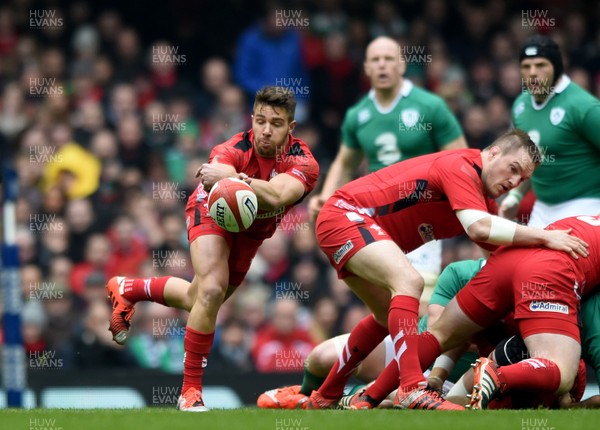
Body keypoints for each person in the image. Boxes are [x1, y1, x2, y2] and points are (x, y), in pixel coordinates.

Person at [301, 129, 589, 410]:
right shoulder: (461, 167)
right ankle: (412, 388)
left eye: (522, 179)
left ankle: (326, 393)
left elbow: (503, 260)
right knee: (409, 282)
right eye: (513, 169)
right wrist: (546, 235)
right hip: (346, 214)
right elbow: (479, 226)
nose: (513, 181)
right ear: (493, 152)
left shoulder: (481, 199)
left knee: (384, 314)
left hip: (354, 225)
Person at [106, 86, 319, 411]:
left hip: (251, 234)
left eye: (275, 123)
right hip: (212, 212)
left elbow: (278, 195)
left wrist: (236, 179)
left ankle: (128, 288)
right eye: (260, 120)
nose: (265, 129)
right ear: (251, 118)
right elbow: (215, 171)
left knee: (199, 298)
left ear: (291, 128)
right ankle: (190, 392)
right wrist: (228, 174)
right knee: (211, 290)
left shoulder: (304, 162)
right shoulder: (232, 147)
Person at [360, 215, 599, 411]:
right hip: (549, 268)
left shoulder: (588, 219)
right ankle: (499, 375)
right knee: (563, 372)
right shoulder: (458, 273)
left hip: (514, 256)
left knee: (439, 334)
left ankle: (369, 396)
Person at [308, 35, 468, 314]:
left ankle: (422, 353)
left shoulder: (430, 106)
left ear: (402, 65)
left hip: (422, 213)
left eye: (389, 59)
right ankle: (398, 353)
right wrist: (326, 195)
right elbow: (346, 163)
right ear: (366, 68)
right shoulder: (358, 115)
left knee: (421, 293)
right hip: (376, 216)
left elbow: (462, 160)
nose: (382, 66)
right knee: (387, 299)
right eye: (375, 60)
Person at [499, 35, 600, 226]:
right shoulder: (520, 106)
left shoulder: (584, 106)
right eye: (526, 67)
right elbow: (529, 160)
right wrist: (515, 195)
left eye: (541, 65)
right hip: (543, 208)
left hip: (586, 206)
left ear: (557, 67)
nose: (533, 73)